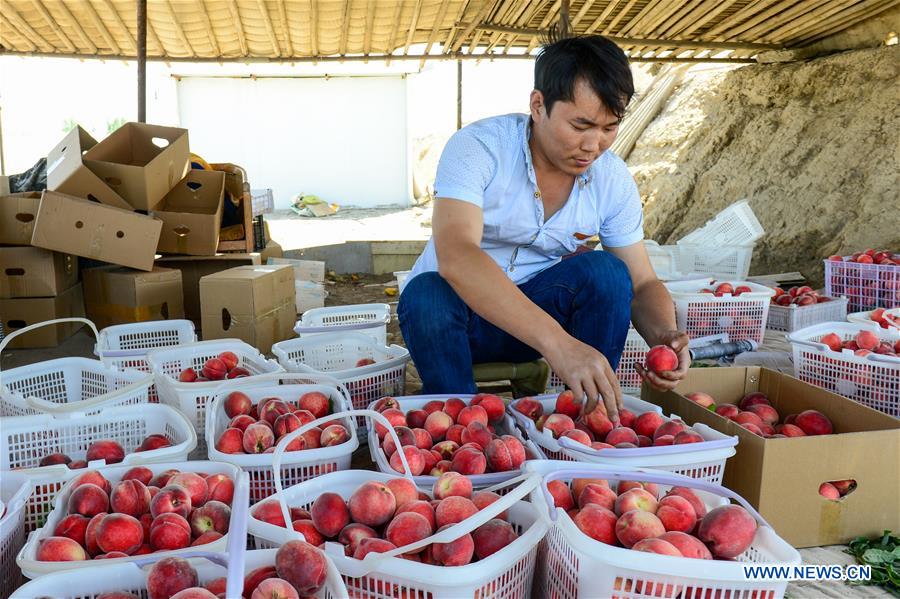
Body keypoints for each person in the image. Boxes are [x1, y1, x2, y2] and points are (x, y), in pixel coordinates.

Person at [398, 34, 690, 422]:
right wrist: (558, 344)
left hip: (538, 318)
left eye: (609, 127)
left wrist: (664, 335)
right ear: (538, 105)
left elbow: (641, 283)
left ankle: (589, 420)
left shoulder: (611, 179)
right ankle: (457, 425)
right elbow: (457, 255)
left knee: (605, 273)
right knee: (426, 293)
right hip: (456, 321)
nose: (593, 144)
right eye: (581, 124)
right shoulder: (479, 148)